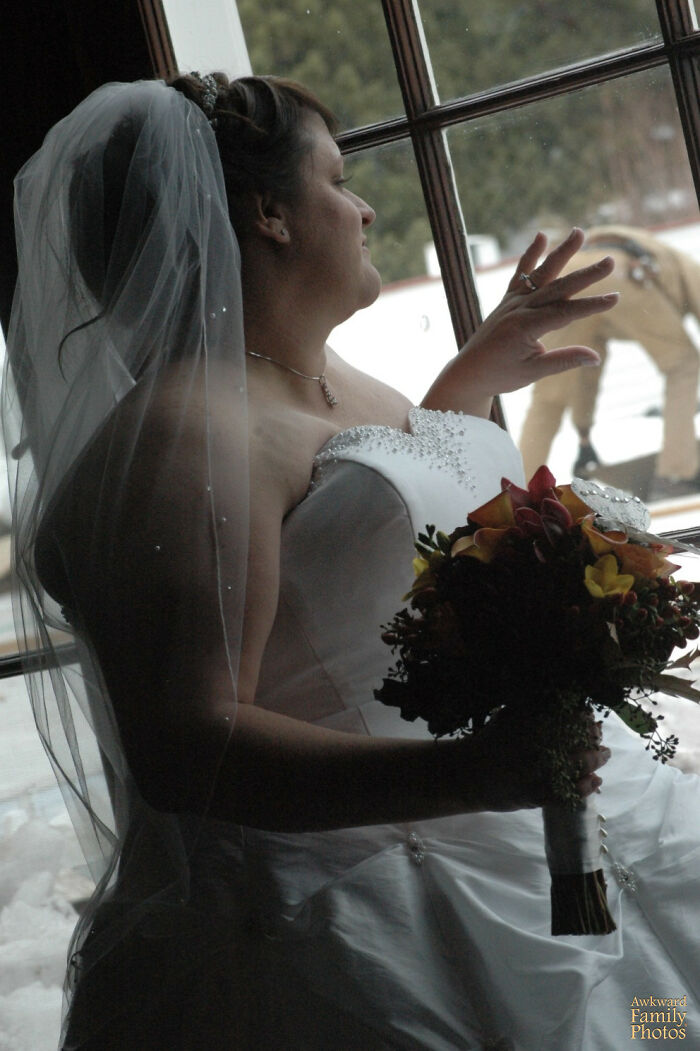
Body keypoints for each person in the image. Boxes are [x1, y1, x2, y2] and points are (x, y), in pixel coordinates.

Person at [2, 73, 699, 1051]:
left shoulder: (314, 379)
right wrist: (472, 774)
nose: (364, 206)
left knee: (652, 1019)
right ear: (269, 213)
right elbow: (189, 744)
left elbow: (359, 538)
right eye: (338, 178)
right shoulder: (182, 441)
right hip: (375, 907)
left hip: (529, 829)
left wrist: (465, 386)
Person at [519, 226, 700, 499]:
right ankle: (676, 473)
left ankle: (518, 490)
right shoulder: (690, 269)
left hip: (574, 276)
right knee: (683, 365)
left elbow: (587, 373)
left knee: (560, 382)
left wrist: (584, 435)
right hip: (622, 272)